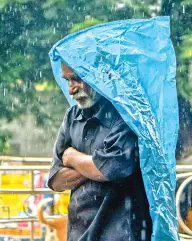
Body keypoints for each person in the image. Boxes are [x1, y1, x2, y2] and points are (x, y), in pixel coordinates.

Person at [47, 62, 152, 241]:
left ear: (97, 75)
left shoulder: (125, 114)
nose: (72, 89)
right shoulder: (72, 116)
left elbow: (110, 168)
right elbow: (56, 181)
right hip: (80, 231)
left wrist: (72, 157)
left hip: (123, 231)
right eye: (68, 81)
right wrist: (97, 165)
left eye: (77, 79)